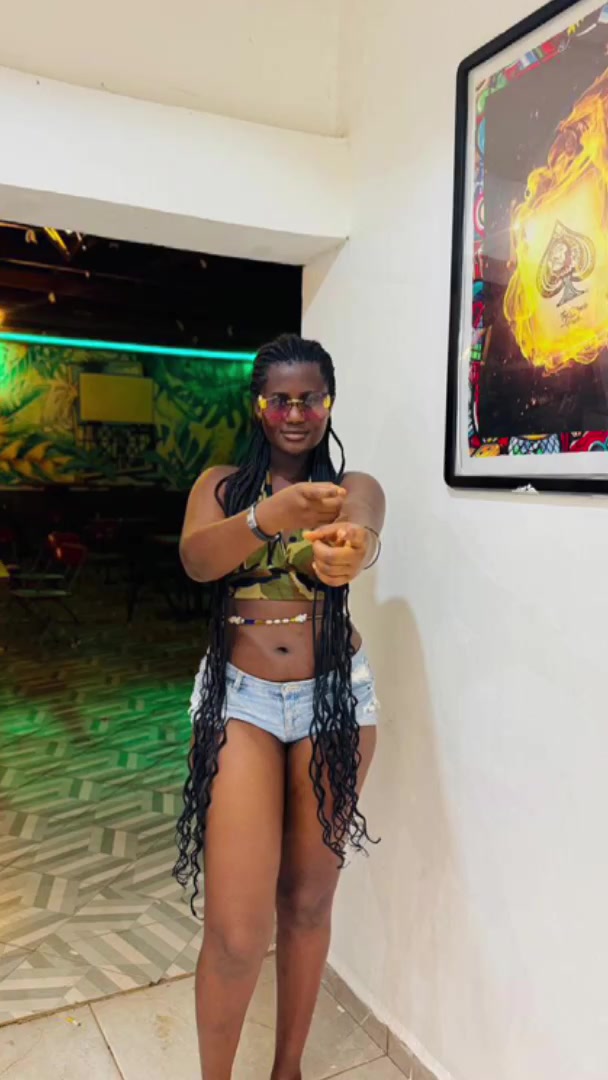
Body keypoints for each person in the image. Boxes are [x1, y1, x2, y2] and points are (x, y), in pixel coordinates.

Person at [174, 333, 385, 1080]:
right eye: (280, 400)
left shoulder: (350, 484)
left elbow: (362, 533)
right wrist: (270, 515)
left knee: (306, 904)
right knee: (237, 932)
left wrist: (348, 547)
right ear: (258, 406)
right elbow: (198, 559)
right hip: (244, 701)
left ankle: (287, 1070)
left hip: (335, 700)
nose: (296, 413)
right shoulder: (223, 485)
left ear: (329, 403)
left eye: (310, 399)